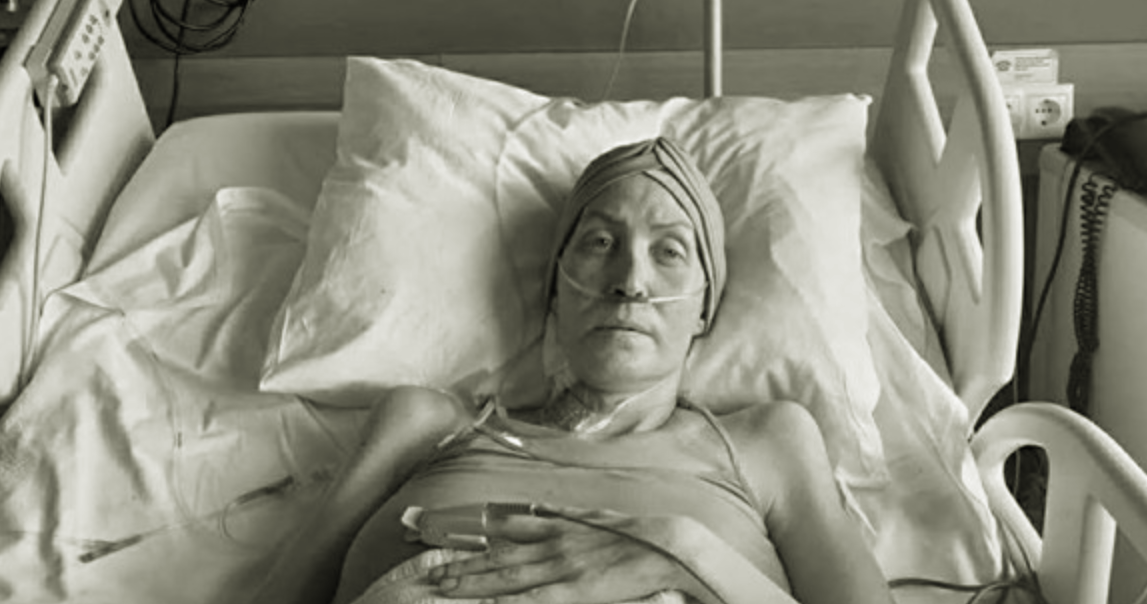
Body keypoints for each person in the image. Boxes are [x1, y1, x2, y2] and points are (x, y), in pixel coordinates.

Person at [249, 138, 893, 604]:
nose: (631, 281)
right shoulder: (426, 425)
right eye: (600, 243)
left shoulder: (767, 443)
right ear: (557, 288)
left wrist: (684, 553)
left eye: (670, 251)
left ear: (704, 307)